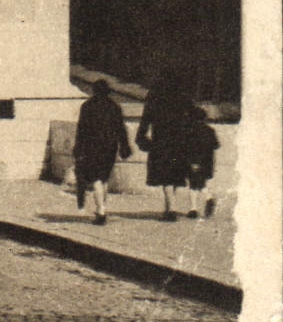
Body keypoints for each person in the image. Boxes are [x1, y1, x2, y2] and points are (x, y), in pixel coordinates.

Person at [71, 78, 131, 225]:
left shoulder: (87, 106)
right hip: (110, 147)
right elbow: (121, 129)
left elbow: (82, 129)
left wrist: (78, 148)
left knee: (96, 178)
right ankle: (103, 207)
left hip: (92, 146)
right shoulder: (114, 107)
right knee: (103, 178)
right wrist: (124, 146)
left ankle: (101, 211)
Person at [136, 80, 198, 221]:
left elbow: (145, 122)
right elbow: (194, 118)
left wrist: (142, 140)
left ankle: (170, 209)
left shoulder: (154, 99)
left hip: (161, 142)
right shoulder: (183, 98)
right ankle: (169, 207)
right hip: (179, 142)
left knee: (165, 177)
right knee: (174, 175)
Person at [184, 106, 219, 220]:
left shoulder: (191, 131)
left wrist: (193, 162)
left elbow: (190, 148)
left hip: (194, 161)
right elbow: (216, 145)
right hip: (207, 162)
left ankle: (196, 207)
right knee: (200, 183)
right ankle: (201, 204)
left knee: (193, 185)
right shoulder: (210, 130)